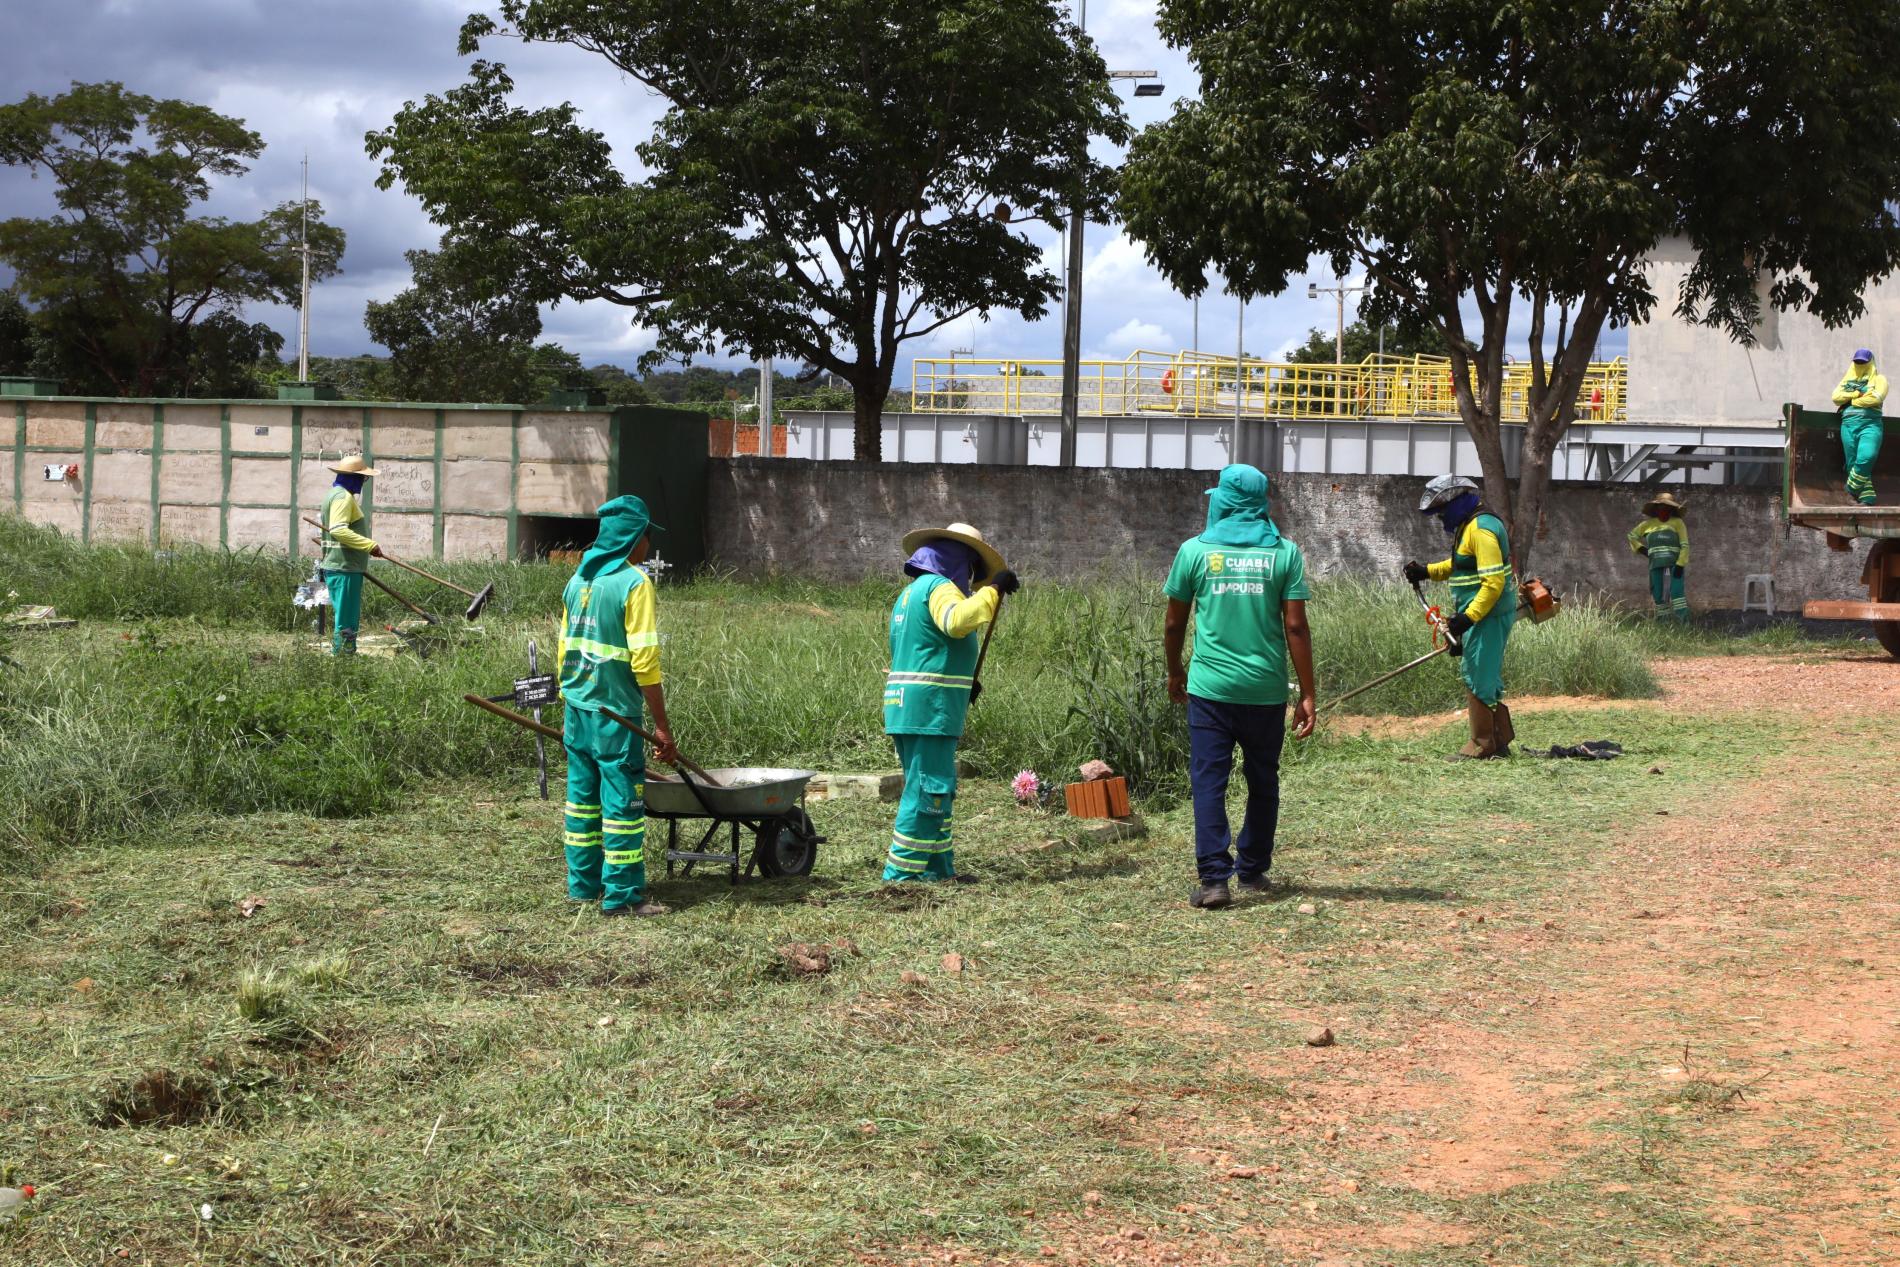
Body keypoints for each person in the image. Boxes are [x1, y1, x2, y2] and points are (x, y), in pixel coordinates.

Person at [1164, 464, 1316, 911]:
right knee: (1262, 779)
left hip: (1209, 688)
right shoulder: (1285, 553)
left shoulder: (1193, 551)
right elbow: (1296, 627)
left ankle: (1214, 880)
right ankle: (1252, 870)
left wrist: (1175, 670)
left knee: (1209, 781)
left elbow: (1175, 621)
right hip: (1265, 691)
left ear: (1224, 501)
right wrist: (1307, 693)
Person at [558, 495, 678, 918]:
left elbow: (565, 647)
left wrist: (568, 695)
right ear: (633, 538)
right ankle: (623, 896)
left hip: (577, 708)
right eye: (646, 536)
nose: (647, 545)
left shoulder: (578, 579)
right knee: (623, 804)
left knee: (581, 799)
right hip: (614, 713)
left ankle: (582, 886)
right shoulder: (633, 583)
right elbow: (644, 660)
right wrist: (662, 726)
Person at [883, 523, 1018, 883]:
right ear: (957, 559)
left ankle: (938, 870)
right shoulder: (940, 588)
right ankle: (902, 877)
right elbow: (957, 622)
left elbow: (925, 651)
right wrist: (992, 590)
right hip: (930, 709)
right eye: (971, 568)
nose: (970, 578)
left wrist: (964, 685)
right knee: (929, 790)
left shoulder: (910, 594)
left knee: (932, 787)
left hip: (907, 705)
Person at [1404, 474, 1515, 759]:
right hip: (1479, 614)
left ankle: (1483, 745)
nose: (1440, 518)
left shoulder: (1482, 529)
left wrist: (1468, 618)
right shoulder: (1468, 527)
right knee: (1478, 671)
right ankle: (1498, 742)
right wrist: (1427, 571)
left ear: (1457, 503)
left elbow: (1493, 584)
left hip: (1486, 615)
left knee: (1479, 673)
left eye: (1442, 511)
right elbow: (1459, 565)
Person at [318, 455, 383, 655]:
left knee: (345, 617)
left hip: (342, 567)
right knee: (346, 620)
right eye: (363, 478)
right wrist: (369, 545)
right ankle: (343, 661)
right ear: (353, 478)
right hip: (344, 568)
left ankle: (343, 655)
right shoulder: (342, 497)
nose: (364, 482)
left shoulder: (334, 494)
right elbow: (338, 530)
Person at [1831, 348, 1886, 506]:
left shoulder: (1880, 379)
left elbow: (1875, 398)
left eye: (1863, 361)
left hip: (1870, 424)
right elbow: (1835, 397)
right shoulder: (1846, 381)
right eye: (1857, 361)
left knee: (1867, 456)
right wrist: (1857, 394)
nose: (1860, 364)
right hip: (1847, 424)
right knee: (1852, 463)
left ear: (1871, 362)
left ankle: (1850, 489)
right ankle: (1867, 498)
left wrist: (1851, 401)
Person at [1627, 492, 1690, 622]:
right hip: (1656, 564)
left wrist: (1680, 564)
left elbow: (1685, 545)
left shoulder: (1678, 522)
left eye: (1667, 507)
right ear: (1656, 508)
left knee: (1677, 593)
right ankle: (1664, 622)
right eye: (1661, 506)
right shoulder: (1648, 524)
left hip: (1675, 564)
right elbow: (1631, 536)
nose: (1664, 509)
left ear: (1672, 509)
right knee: (1659, 594)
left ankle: (1684, 623)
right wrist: (1642, 549)